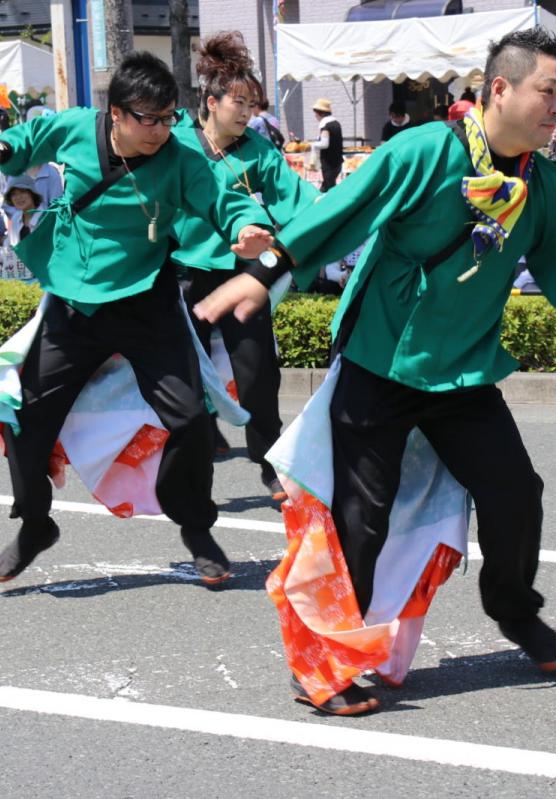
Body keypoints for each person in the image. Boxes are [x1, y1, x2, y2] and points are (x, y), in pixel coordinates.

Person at [194, 26, 556, 715]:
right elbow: (343, 212)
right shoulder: (426, 150)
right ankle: (324, 662)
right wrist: (266, 273)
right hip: (381, 360)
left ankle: (512, 606)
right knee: (362, 516)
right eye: (548, 93)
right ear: (499, 90)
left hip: (462, 372)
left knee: (516, 493)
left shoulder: (542, 182)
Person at [0, 51, 274, 587]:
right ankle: (35, 523)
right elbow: (20, 149)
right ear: (117, 114)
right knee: (22, 419)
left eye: (168, 117)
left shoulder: (180, 159)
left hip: (145, 302)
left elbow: (225, 203)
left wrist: (247, 227)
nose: (157, 130)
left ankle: (196, 527)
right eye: (146, 118)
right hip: (74, 305)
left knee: (192, 422)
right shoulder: (78, 125)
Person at [172, 32, 319, 502]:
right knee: (177, 372)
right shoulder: (173, 141)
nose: (246, 112)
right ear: (210, 102)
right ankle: (192, 461)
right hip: (178, 272)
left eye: (253, 105)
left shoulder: (257, 150)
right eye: (238, 102)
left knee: (258, 371)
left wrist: (345, 213)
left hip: (241, 274)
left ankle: (269, 461)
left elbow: (302, 202)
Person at [0, 174, 41, 282]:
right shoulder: (16, 218)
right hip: (20, 277)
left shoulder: (45, 218)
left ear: (32, 193)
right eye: (14, 194)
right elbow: (8, 248)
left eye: (23, 192)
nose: (18, 197)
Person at [310, 98, 343, 191]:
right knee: (326, 186)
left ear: (320, 113)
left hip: (329, 163)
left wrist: (312, 145)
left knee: (330, 188)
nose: (315, 116)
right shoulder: (336, 123)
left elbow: (325, 144)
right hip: (337, 162)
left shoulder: (325, 126)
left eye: (315, 113)